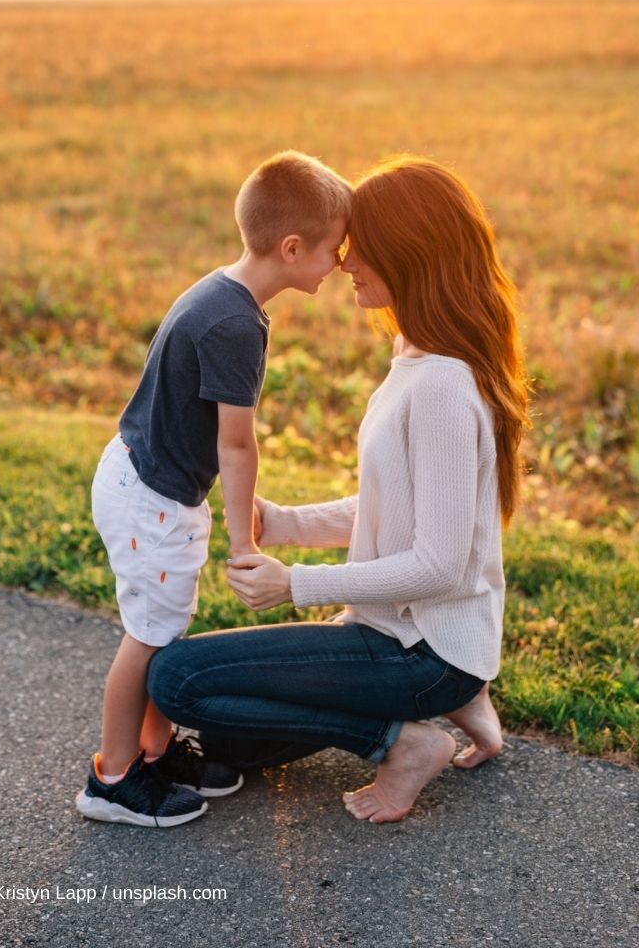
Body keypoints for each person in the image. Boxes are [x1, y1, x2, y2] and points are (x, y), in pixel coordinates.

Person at [146, 155, 529, 824]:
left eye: (361, 246)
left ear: (409, 255)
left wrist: (294, 583)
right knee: (230, 744)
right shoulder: (417, 352)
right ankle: (464, 699)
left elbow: (437, 566)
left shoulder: (440, 385)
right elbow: (395, 510)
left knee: (178, 682)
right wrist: (283, 521)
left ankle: (404, 740)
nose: (345, 260)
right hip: (417, 638)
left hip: (416, 650)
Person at [75, 151, 351, 827]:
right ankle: (113, 780)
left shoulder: (220, 291)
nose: (340, 263)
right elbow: (236, 444)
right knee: (148, 638)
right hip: (152, 497)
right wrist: (242, 541)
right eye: (333, 251)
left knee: (164, 629)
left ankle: (154, 750)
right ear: (292, 248)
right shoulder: (236, 324)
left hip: (145, 478)